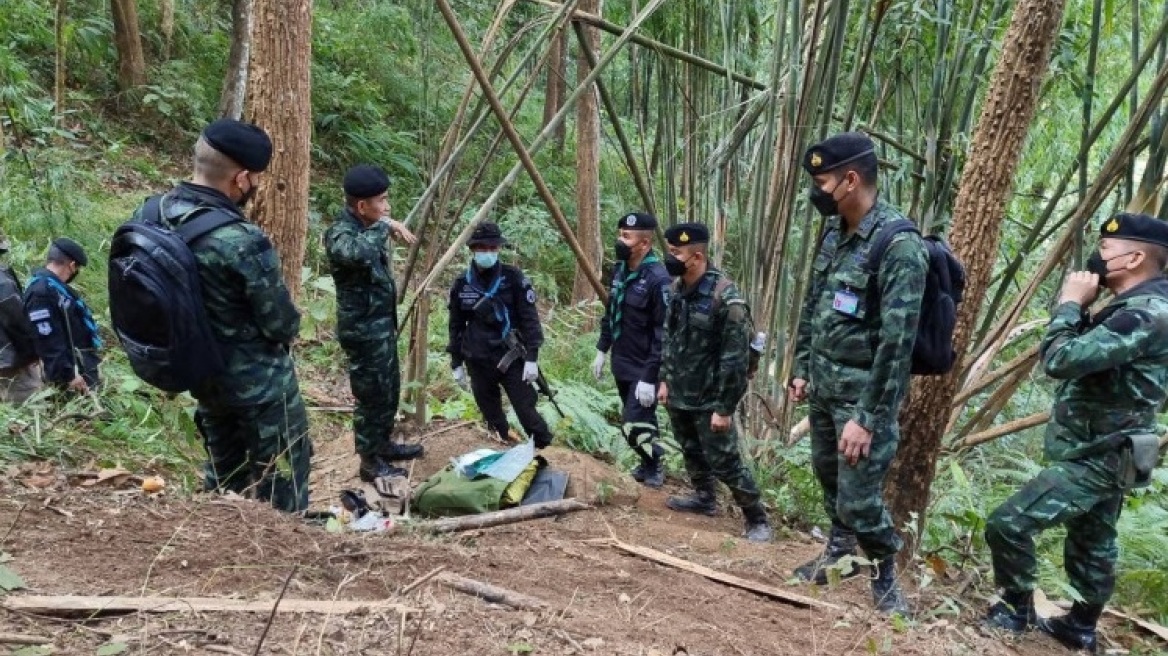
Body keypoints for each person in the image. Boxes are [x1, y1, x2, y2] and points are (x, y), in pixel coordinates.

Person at [984, 213, 1168, 653]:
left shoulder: (1146, 313)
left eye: (1105, 249)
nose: (1096, 257)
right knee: (1093, 541)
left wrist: (1069, 304)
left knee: (1009, 523)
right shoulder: (1135, 307)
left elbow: (1061, 359)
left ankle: (1015, 610)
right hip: (1110, 448)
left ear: (1134, 258)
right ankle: (1079, 627)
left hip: (1100, 454)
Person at [133, 118, 311, 513]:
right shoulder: (240, 240)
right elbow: (281, 323)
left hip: (200, 376)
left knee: (223, 476)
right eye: (256, 179)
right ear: (242, 179)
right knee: (282, 481)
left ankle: (218, 535)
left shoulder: (149, 215)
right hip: (261, 389)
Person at [787, 132, 926, 615]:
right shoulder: (834, 232)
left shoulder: (898, 246)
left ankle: (886, 575)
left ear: (850, 180)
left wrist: (867, 418)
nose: (816, 192)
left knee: (859, 499)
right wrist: (802, 365)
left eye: (821, 182)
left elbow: (897, 344)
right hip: (825, 387)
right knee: (828, 477)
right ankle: (839, 552)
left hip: (863, 398)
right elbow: (815, 303)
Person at [657, 222, 773, 543]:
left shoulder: (727, 300)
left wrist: (724, 408)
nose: (670, 258)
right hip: (680, 391)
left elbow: (735, 362)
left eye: (676, 252)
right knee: (690, 448)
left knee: (726, 460)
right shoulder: (676, 289)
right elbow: (669, 338)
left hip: (710, 398)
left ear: (696, 257)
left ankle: (757, 518)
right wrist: (664, 380)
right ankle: (704, 497)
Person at [325, 164, 422, 482]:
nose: (387, 207)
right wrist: (385, 225)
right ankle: (369, 461)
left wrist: (382, 223)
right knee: (370, 395)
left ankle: (382, 444)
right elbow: (357, 254)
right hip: (362, 332)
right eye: (382, 201)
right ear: (361, 206)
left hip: (379, 327)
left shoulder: (367, 226)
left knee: (388, 390)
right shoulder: (341, 233)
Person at [447, 222, 553, 447]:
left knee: (526, 411)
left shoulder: (513, 278)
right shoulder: (462, 284)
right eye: (482, 248)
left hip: (510, 357)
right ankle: (503, 445)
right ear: (473, 249)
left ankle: (546, 449)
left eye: (493, 248)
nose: (488, 253)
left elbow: (530, 320)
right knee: (491, 414)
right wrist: (456, 362)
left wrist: (532, 358)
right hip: (477, 359)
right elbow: (455, 325)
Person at [593, 212, 671, 487]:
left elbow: (663, 333)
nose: (620, 241)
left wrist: (651, 376)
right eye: (620, 235)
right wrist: (602, 349)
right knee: (638, 420)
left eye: (626, 237)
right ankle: (647, 463)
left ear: (644, 243)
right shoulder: (620, 270)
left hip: (644, 365)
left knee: (632, 421)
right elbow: (611, 311)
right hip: (622, 361)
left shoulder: (658, 279)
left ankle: (656, 464)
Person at [23, 237, 101, 395]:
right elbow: (47, 339)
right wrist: (69, 374)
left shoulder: (56, 288)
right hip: (72, 371)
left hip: (81, 362)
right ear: (72, 265)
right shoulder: (41, 292)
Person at [0, 234, 42, 402]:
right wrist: (34, 352)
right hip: (10, 361)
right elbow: (16, 322)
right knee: (29, 401)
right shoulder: (2, 283)